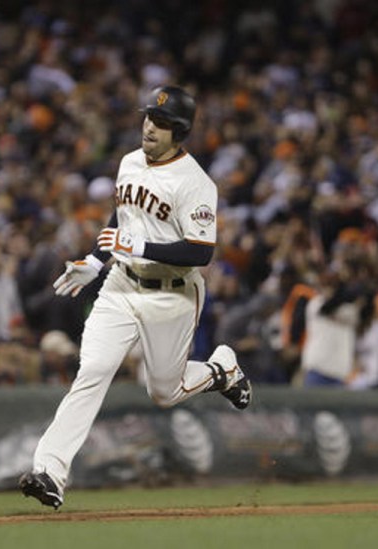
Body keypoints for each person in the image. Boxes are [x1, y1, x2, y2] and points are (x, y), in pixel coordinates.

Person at [19, 85, 252, 509]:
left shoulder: (195, 183)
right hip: (121, 286)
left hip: (173, 295)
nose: (150, 126)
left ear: (179, 132)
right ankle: (50, 472)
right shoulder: (129, 161)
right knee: (92, 369)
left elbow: (201, 251)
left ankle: (220, 369)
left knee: (163, 391)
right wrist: (94, 260)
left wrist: (138, 246)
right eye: (149, 117)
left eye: (161, 123)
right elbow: (123, 215)